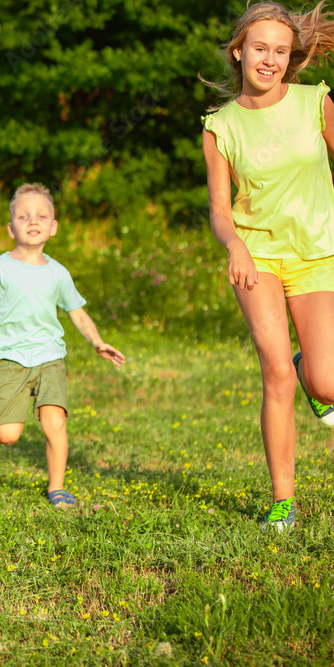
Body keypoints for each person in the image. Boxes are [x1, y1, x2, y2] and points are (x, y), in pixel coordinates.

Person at [201, 1, 334, 533]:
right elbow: (218, 208)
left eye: (281, 51)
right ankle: (284, 502)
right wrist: (234, 244)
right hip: (258, 257)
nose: (270, 59)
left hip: (319, 250)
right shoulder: (220, 126)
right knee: (275, 372)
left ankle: (312, 368)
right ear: (239, 52)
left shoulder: (316, 103)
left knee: (325, 382)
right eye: (260, 48)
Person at [0, 183, 125, 509]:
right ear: (11, 228)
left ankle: (57, 487)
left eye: (41, 215)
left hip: (50, 356)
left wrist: (97, 342)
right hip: (11, 357)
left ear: (53, 226)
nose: (32, 221)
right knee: (8, 435)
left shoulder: (59, 273)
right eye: (23, 216)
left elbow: (77, 313)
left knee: (54, 423)